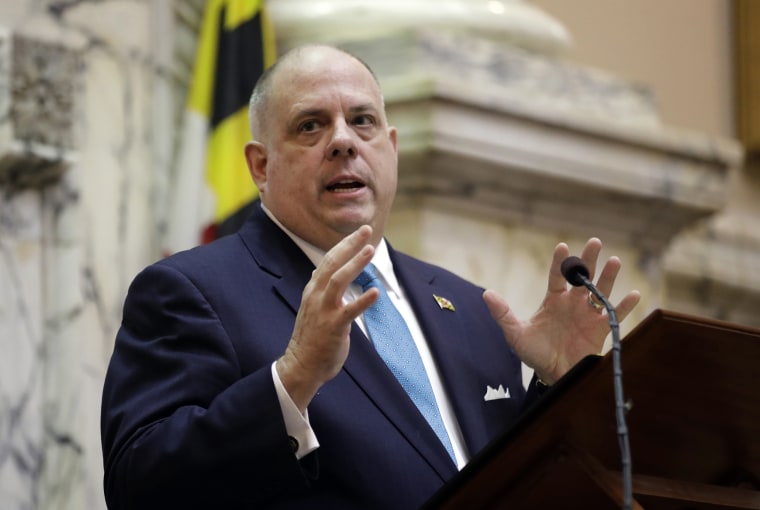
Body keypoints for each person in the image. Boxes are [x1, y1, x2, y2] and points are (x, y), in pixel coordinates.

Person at [100, 44, 640, 510]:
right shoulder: (193, 292)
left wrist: (554, 389)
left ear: (392, 148)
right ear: (260, 167)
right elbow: (141, 486)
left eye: (363, 121)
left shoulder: (471, 308)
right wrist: (291, 381)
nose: (343, 141)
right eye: (310, 125)